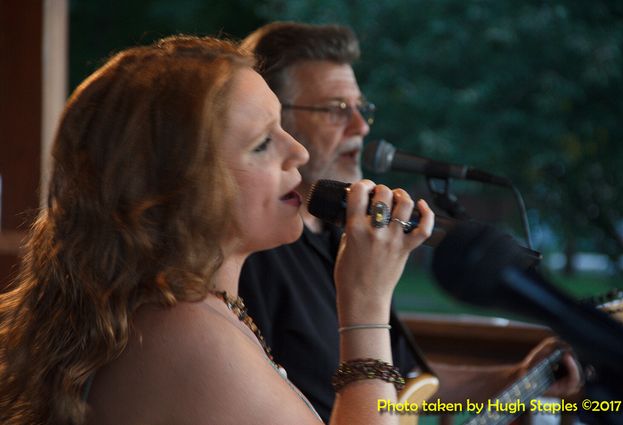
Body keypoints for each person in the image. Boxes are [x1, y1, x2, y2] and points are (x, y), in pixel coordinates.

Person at [0, 35, 435, 425]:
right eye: (263, 143)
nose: (298, 153)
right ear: (178, 182)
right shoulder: (184, 332)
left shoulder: (189, 310)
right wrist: (365, 306)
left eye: (283, 127)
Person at [238, 22, 420, 422]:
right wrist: (367, 304)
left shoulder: (347, 236)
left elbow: (407, 381)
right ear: (273, 118)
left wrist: (517, 377)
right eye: (337, 109)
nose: (361, 127)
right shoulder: (250, 253)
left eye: (361, 109)